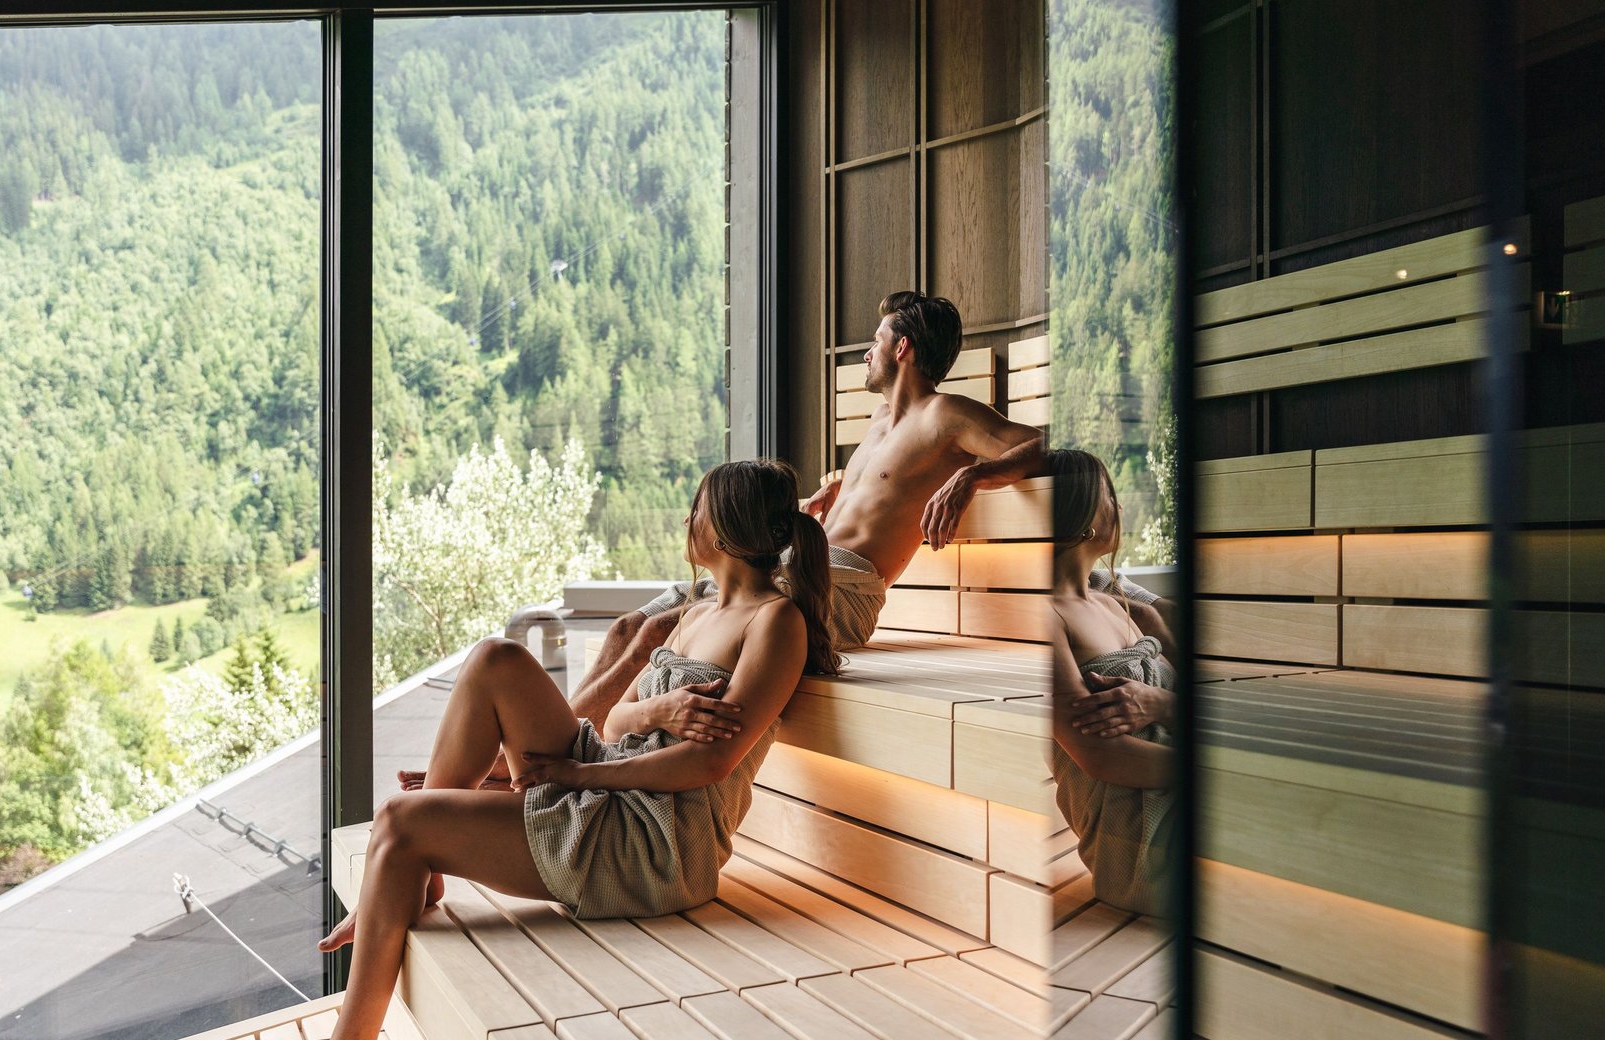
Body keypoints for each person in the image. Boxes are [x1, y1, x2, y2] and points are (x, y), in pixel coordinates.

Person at [397, 291, 1043, 799]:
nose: (863, 356)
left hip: (836, 591)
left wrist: (972, 477)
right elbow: (871, 497)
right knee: (628, 628)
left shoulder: (946, 415)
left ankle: (537, 766)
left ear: (902, 348)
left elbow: (1039, 446)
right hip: (793, 567)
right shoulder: (878, 423)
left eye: (874, 343)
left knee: (653, 640)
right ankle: (535, 759)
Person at [314, 459, 838, 1040]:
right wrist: (660, 708)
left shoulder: (776, 622)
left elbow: (711, 761)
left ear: (720, 532)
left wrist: (581, 776)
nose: (685, 520)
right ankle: (414, 873)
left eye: (695, 509)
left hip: (656, 842)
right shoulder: (697, 614)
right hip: (618, 778)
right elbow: (617, 722)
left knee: (399, 820)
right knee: (495, 660)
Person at [1046, 448, 1179, 917]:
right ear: (1079, 511)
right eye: (1110, 495)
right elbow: (1100, 754)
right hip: (1141, 836)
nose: (1120, 509)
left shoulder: (1120, 605)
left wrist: (1158, 702)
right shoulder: (1042, 617)